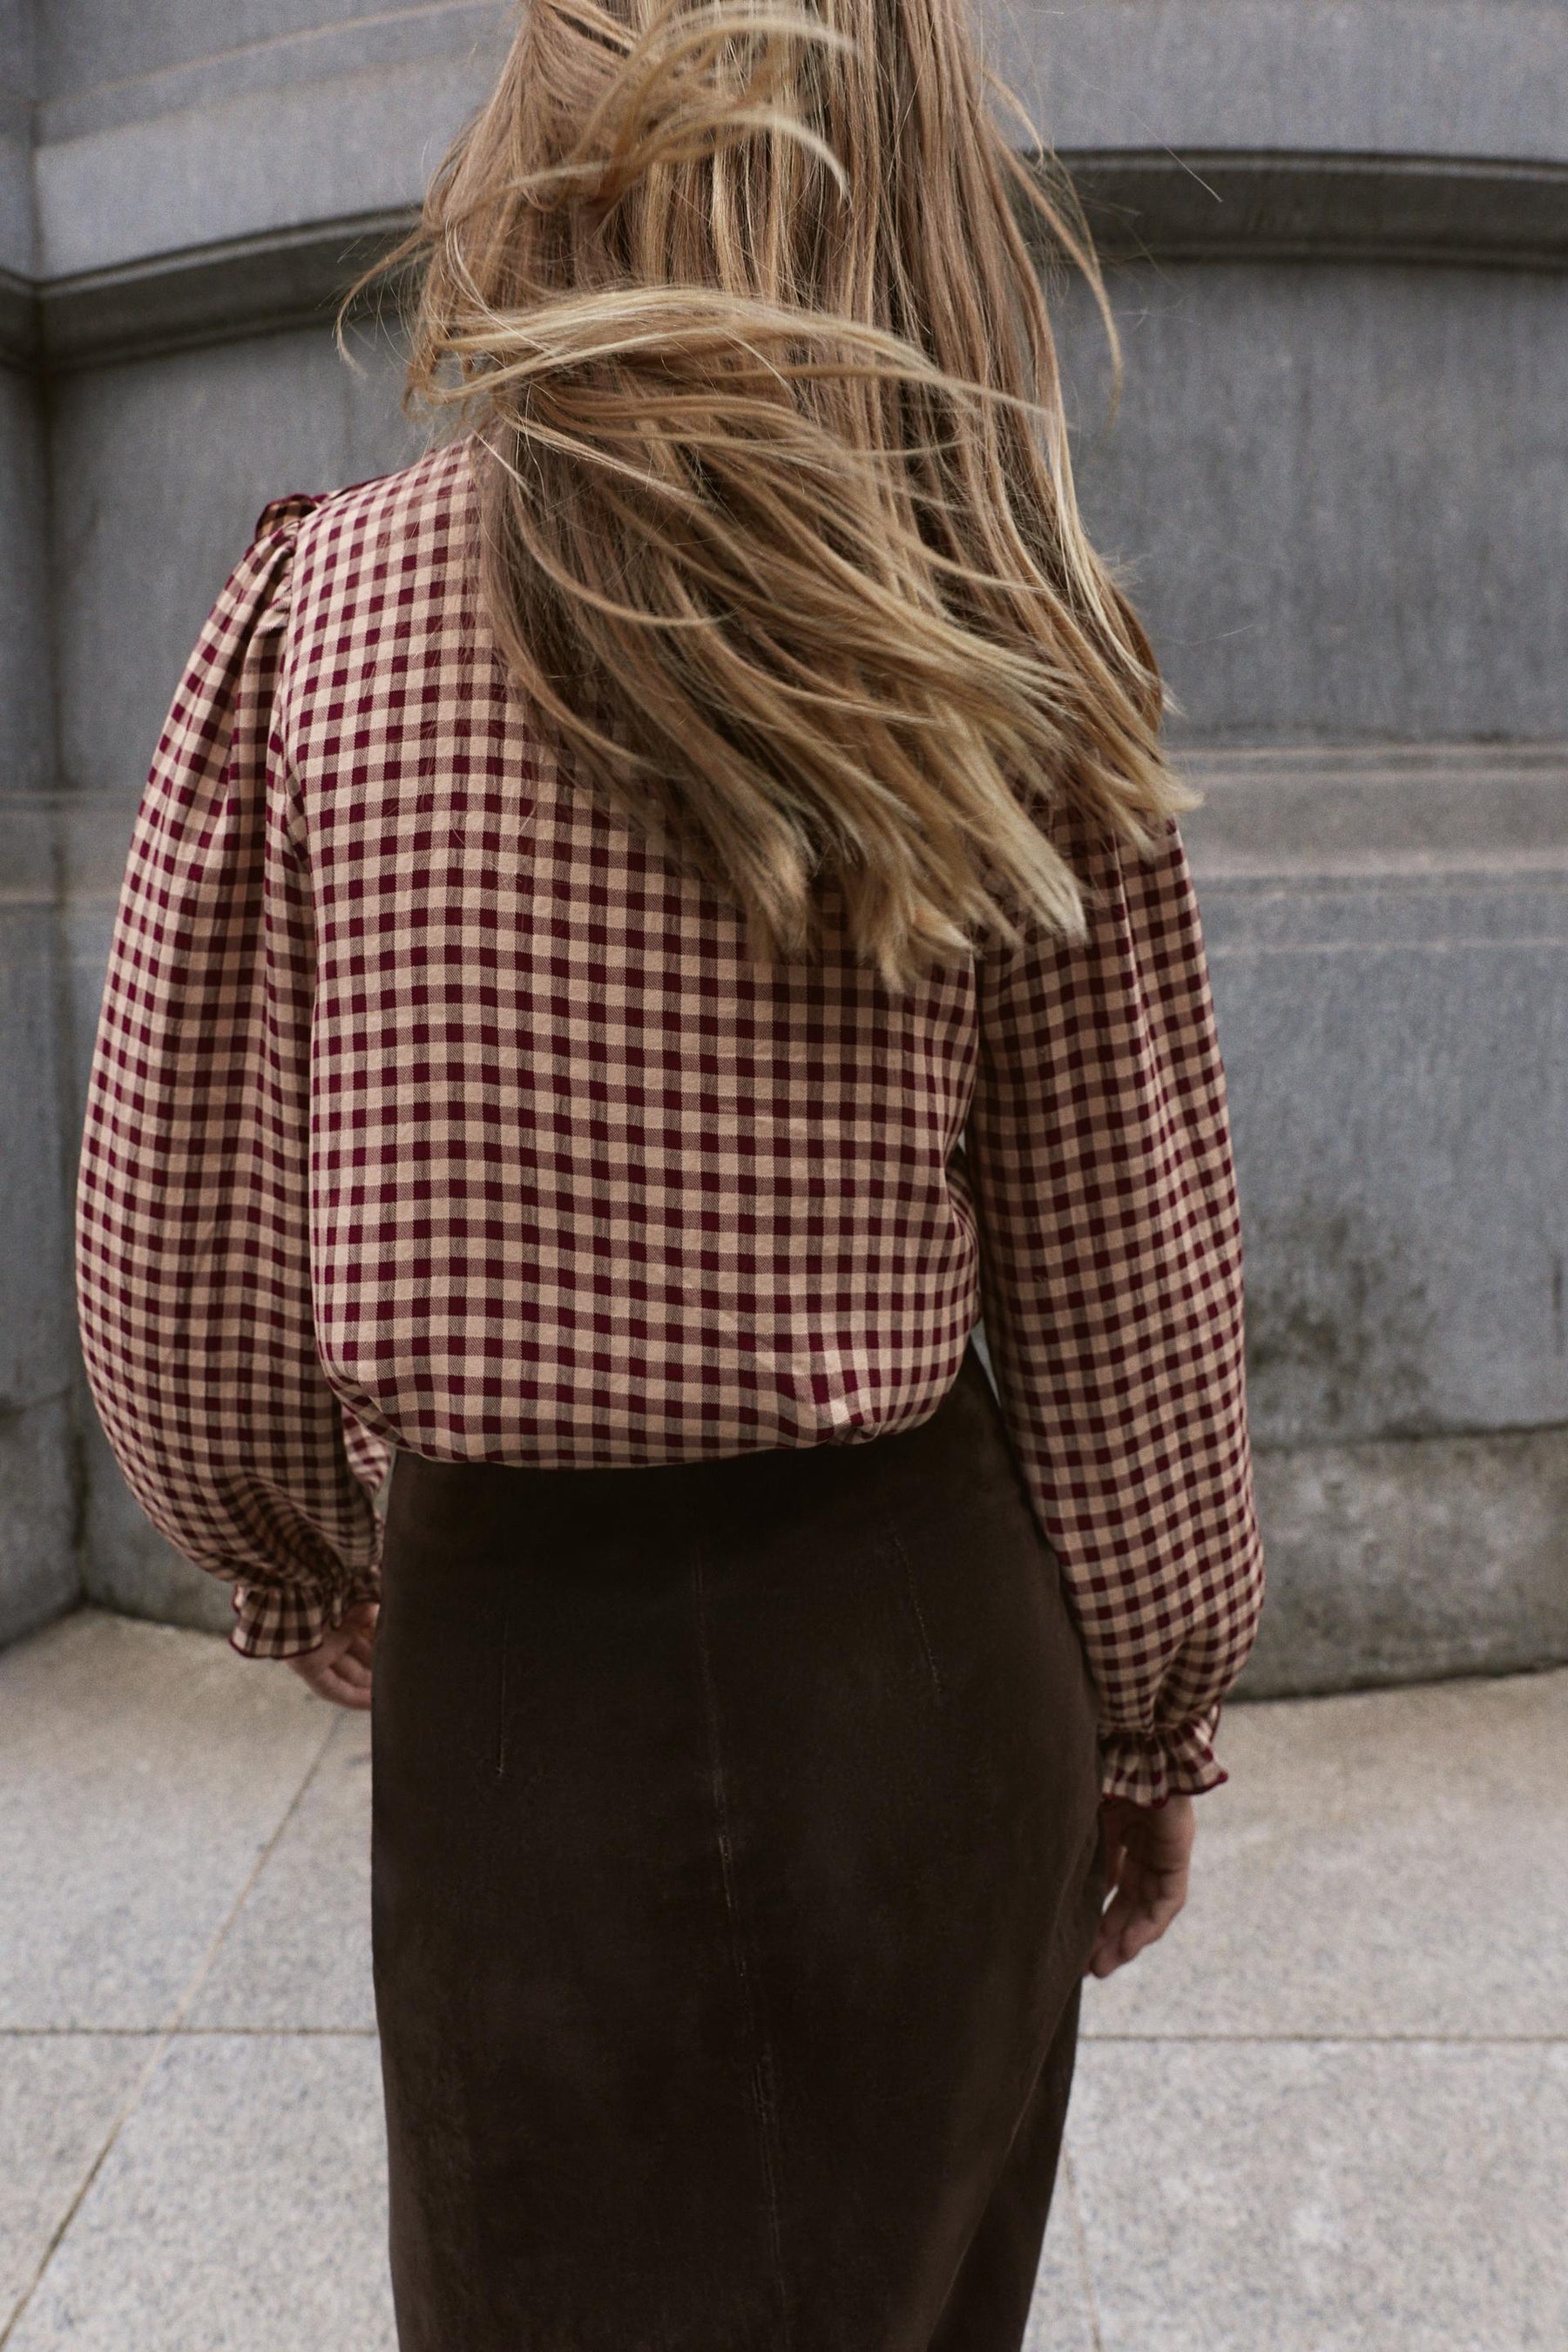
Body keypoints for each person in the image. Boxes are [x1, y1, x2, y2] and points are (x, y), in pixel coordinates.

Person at [75, 0, 1265, 2342]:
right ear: (919, 171)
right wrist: (1147, 1714)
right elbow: (1133, 1283)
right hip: (913, 1664)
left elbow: (170, 1259)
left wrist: (312, 1574)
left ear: (538, 145)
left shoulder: (326, 621)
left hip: (521, 1666)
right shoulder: (995, 631)